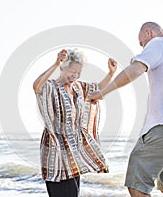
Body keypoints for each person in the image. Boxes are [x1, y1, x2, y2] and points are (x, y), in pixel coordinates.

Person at [90, 22, 163, 197]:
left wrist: (104, 91)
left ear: (148, 33)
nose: (143, 47)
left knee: (137, 185)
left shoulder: (158, 43)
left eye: (142, 43)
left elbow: (136, 69)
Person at [33, 48, 117, 197]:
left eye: (78, 72)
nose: (75, 75)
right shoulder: (51, 86)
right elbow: (37, 86)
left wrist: (111, 73)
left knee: (73, 192)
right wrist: (55, 63)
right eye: (72, 71)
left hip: (73, 150)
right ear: (63, 68)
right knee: (63, 192)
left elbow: (98, 89)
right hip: (55, 147)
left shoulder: (79, 88)